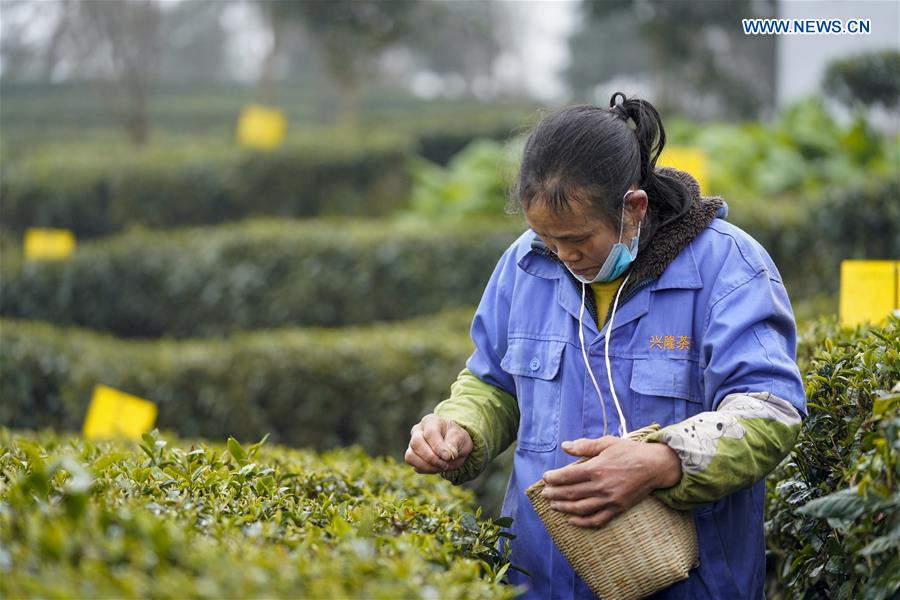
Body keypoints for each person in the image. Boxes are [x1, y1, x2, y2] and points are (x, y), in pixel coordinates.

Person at [405, 93, 806, 599]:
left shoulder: (728, 267)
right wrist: (460, 427)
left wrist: (663, 462)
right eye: (547, 239)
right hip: (540, 583)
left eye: (577, 239)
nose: (563, 256)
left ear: (633, 207)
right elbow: (493, 382)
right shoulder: (524, 266)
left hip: (691, 585)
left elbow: (770, 409)